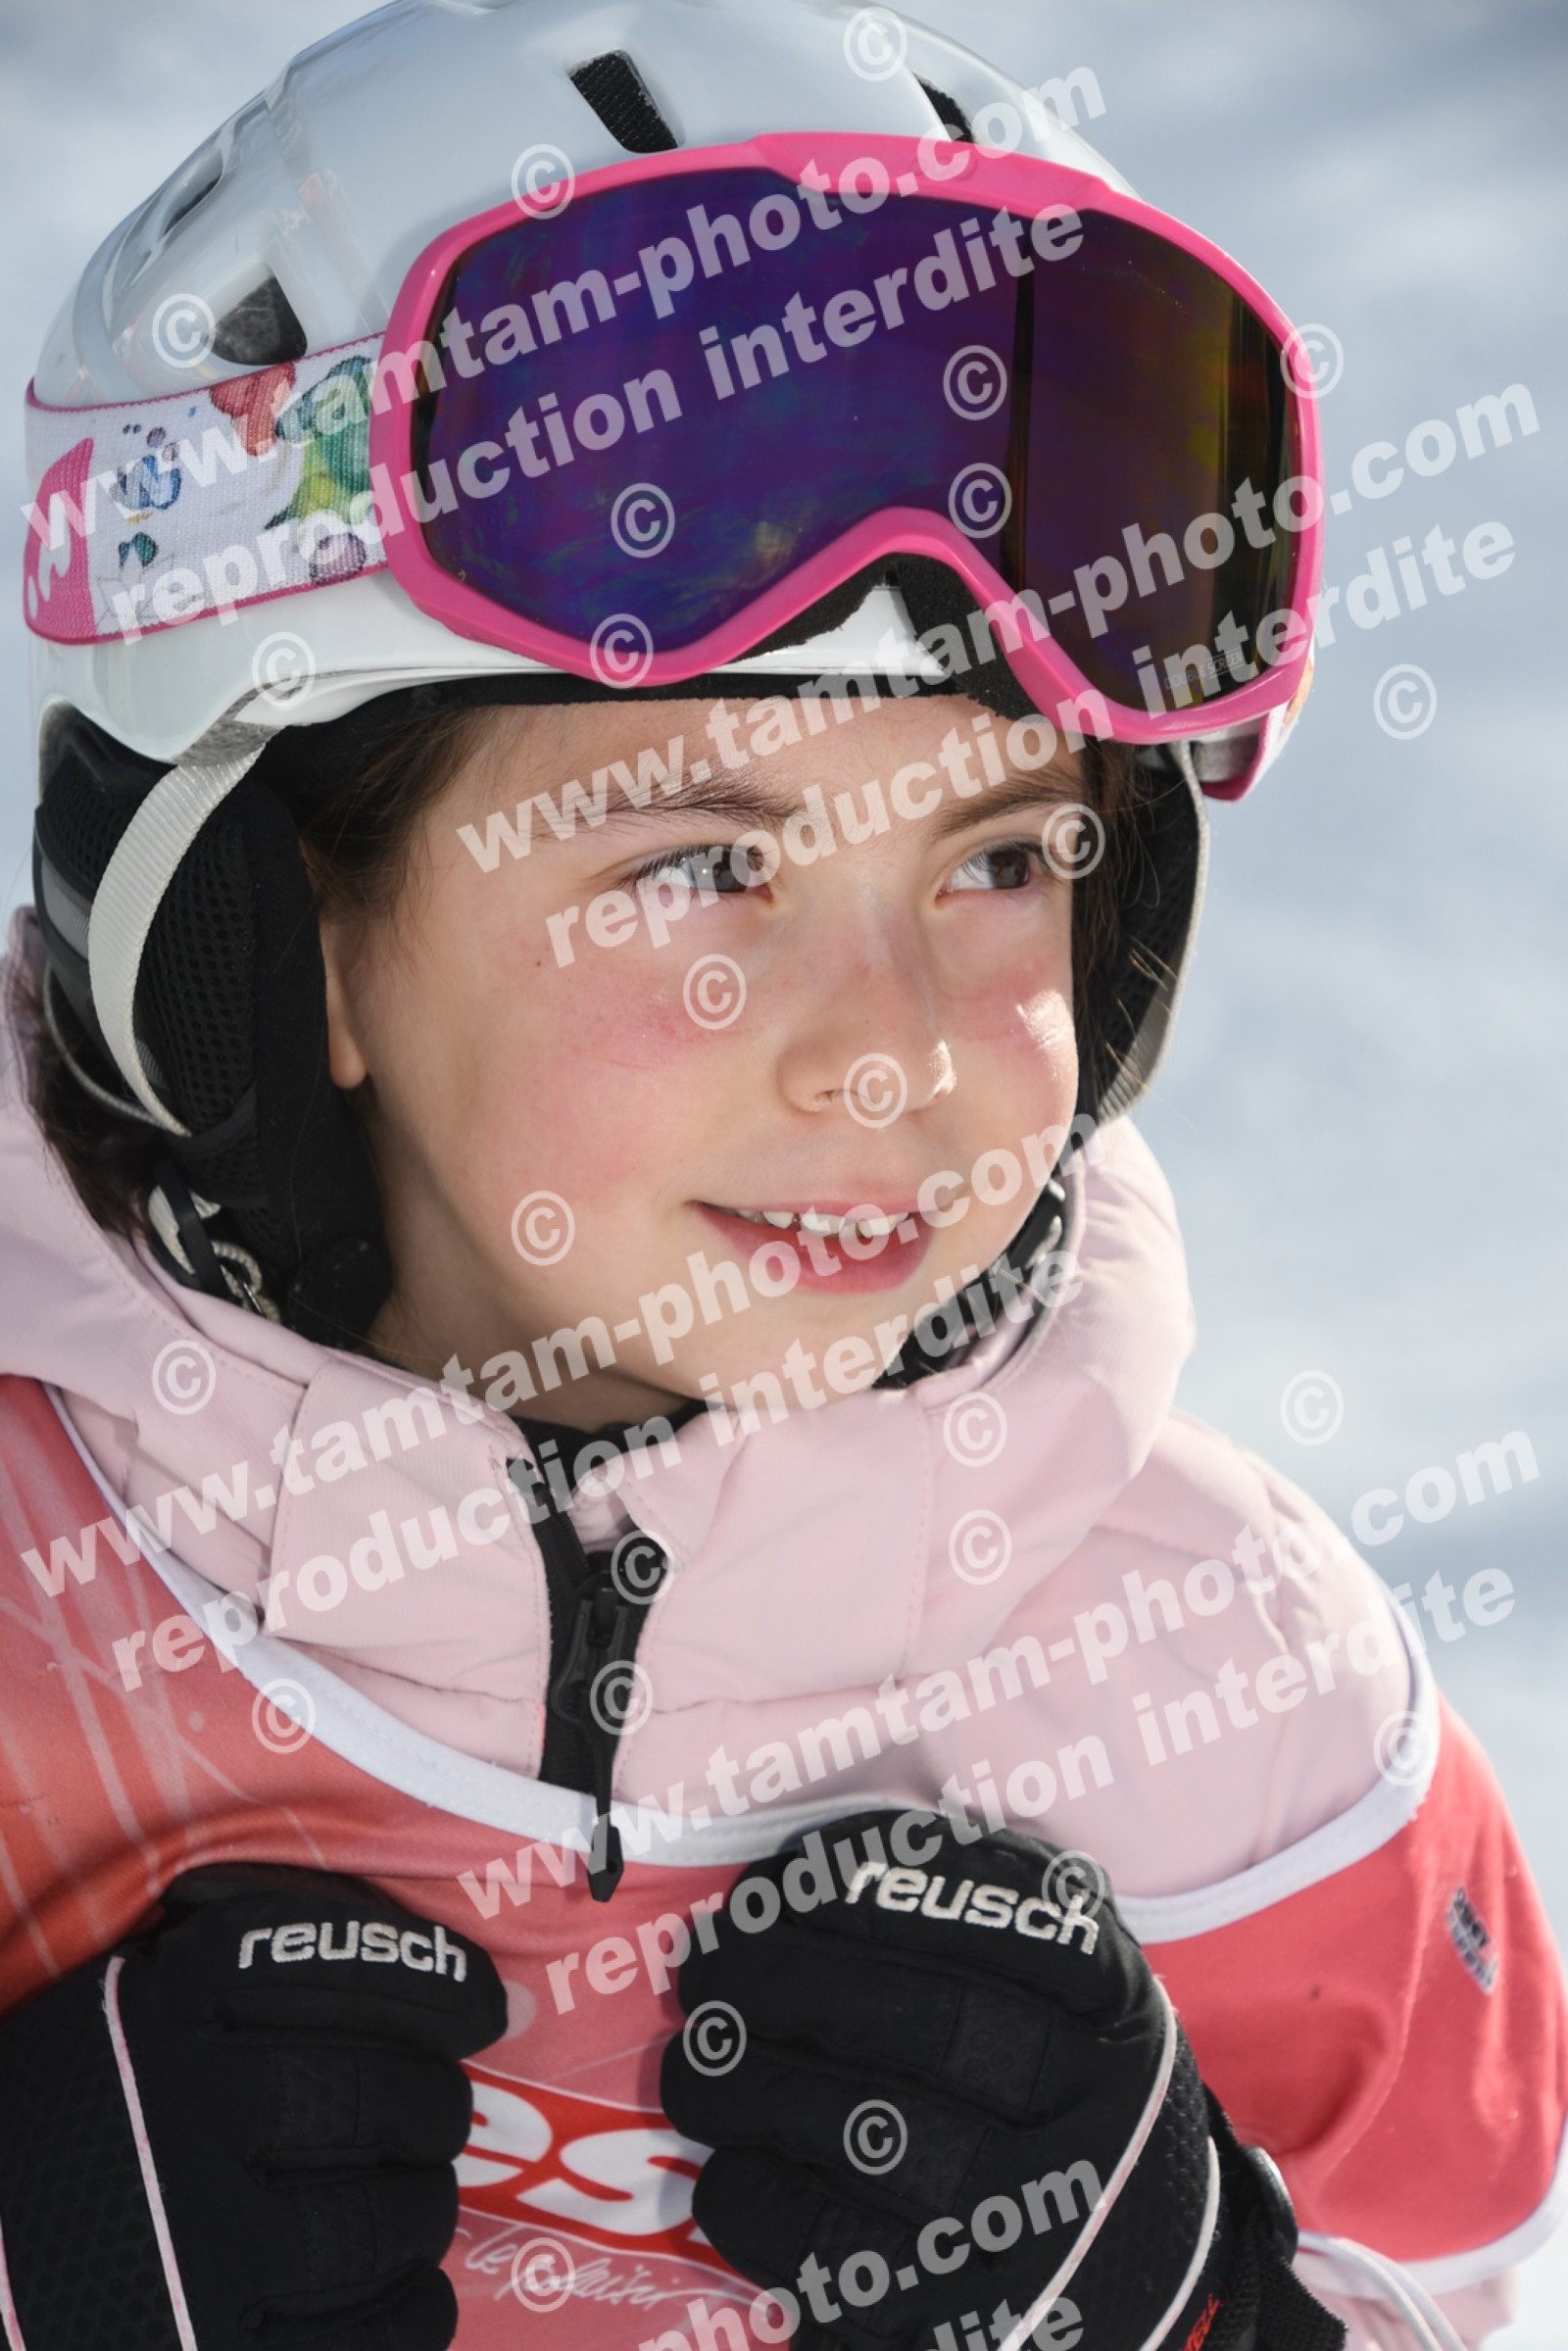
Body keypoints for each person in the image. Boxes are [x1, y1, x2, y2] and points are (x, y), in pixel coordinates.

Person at [0, 3, 1561, 2348]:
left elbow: (1448, 2273)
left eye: (999, 857)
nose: (888, 1055)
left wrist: (1207, 2311)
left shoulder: (1227, 1689)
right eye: (698, 867)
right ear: (287, 935)